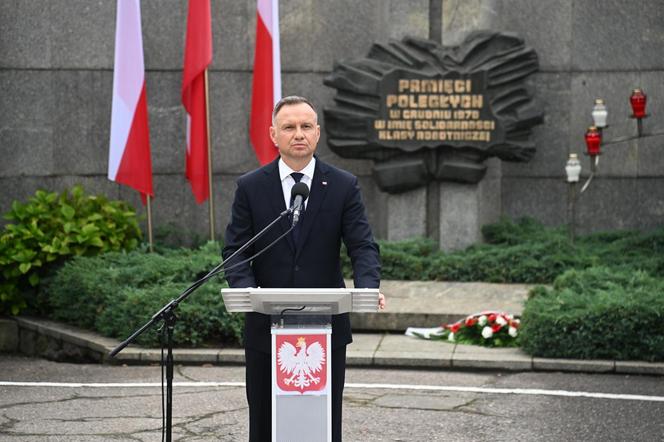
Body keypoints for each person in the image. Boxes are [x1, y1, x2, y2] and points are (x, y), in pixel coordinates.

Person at [222, 95, 385, 441]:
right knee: (264, 424)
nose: (299, 134)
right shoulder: (250, 187)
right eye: (289, 127)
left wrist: (368, 287)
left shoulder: (343, 185)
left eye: (306, 126)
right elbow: (236, 249)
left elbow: (362, 245)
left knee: (323, 423)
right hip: (265, 328)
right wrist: (245, 289)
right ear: (273, 135)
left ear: (317, 133)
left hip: (325, 330)